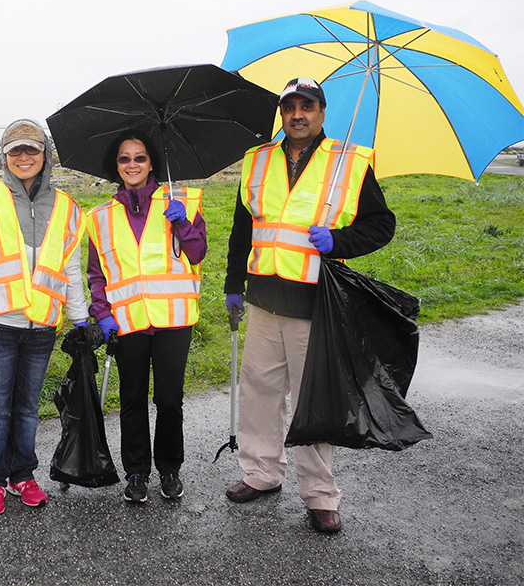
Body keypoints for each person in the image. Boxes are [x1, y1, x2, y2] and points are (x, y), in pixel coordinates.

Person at [223, 77, 396, 533]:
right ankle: (261, 473)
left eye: (308, 106)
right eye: (290, 107)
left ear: (322, 112)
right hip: (262, 297)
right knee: (258, 393)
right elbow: (244, 230)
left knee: (311, 401)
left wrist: (338, 239)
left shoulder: (349, 163)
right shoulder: (257, 161)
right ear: (281, 113)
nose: (298, 114)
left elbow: (381, 225)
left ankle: (320, 494)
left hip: (314, 301)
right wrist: (233, 284)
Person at [0, 119, 89, 516]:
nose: (24, 157)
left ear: (45, 154)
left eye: (32, 149)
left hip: (42, 326)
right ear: (5, 156)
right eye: (16, 150)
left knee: (28, 408)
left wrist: (81, 319)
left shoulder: (67, 208)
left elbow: (72, 269)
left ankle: (22, 475)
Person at [86, 130, 207, 503]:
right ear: (116, 166)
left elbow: (198, 252)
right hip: (128, 321)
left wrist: (182, 224)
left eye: (140, 157)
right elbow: (96, 273)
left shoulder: (182, 201)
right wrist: (102, 313)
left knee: (169, 399)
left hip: (173, 319)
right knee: (132, 399)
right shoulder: (100, 217)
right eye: (125, 159)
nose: (133, 164)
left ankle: (170, 468)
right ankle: (136, 472)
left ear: (152, 162)